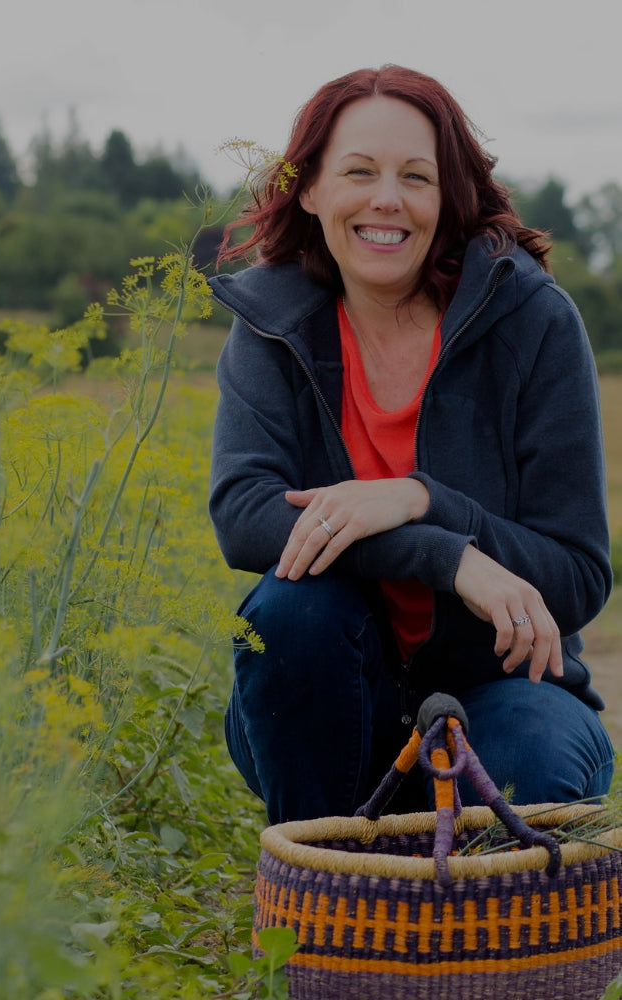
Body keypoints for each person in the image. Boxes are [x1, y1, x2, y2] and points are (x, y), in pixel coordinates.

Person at [207, 65, 615, 826]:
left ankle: (488, 929)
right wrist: (445, 555)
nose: (385, 199)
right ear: (310, 190)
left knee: (532, 764)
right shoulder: (271, 324)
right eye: (357, 172)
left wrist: (420, 497)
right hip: (332, 700)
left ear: (446, 196)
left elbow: (577, 576)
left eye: (415, 177)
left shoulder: (534, 322)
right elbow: (245, 514)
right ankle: (317, 907)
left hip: (509, 695)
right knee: (291, 611)